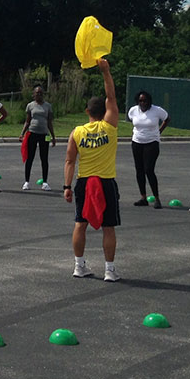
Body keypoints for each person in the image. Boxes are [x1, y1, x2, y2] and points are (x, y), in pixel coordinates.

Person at [63, 59, 120, 282]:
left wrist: (67, 186)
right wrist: (106, 71)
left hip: (84, 182)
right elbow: (112, 97)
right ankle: (110, 270)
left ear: (87, 111)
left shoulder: (76, 132)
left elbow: (69, 161)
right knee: (108, 227)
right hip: (105, 181)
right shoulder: (110, 126)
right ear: (104, 111)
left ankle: (79, 266)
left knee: (80, 223)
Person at [127, 90, 170, 209]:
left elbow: (167, 119)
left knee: (149, 170)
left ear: (149, 101)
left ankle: (157, 198)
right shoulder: (133, 110)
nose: (143, 103)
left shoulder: (157, 110)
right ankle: (143, 197)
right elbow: (134, 122)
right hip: (137, 142)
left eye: (145, 100)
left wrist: (159, 131)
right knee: (139, 170)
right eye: (140, 101)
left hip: (152, 143)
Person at [19, 85, 57, 191]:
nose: (38, 95)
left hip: (45, 134)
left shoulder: (48, 106)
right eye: (37, 93)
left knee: (44, 158)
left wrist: (53, 137)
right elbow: (27, 121)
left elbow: (49, 122)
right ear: (33, 94)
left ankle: (45, 182)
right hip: (32, 133)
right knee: (30, 157)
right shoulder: (30, 106)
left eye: (40, 93)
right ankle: (27, 182)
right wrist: (22, 133)